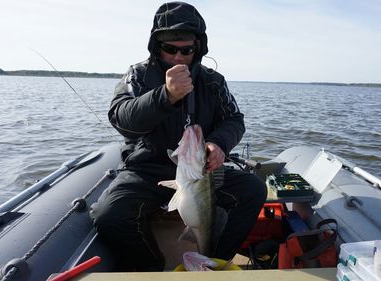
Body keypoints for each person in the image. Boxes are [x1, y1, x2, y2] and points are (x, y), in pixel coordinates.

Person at [90, 2, 267, 271]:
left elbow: (234, 120)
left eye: (187, 50)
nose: (178, 57)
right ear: (156, 46)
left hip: (200, 172)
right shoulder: (138, 75)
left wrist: (219, 144)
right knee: (109, 217)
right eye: (170, 49)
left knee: (253, 189)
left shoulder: (213, 81)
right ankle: (153, 266)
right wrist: (166, 96)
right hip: (146, 170)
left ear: (198, 47)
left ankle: (213, 259)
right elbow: (121, 118)